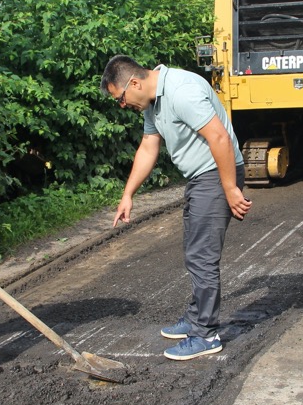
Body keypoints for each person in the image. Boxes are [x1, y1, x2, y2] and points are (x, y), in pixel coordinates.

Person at [101, 55, 252, 360]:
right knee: (194, 250)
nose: (122, 105)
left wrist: (229, 188)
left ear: (134, 83)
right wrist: (128, 194)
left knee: (202, 255)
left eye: (120, 98)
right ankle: (197, 318)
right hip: (202, 176)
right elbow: (148, 146)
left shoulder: (181, 90)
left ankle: (206, 334)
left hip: (217, 173)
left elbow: (218, 137)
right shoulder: (153, 102)